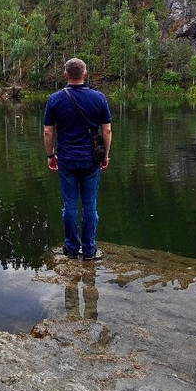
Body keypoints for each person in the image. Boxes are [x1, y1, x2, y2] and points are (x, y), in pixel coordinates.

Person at [43, 57, 112, 260]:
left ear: (65, 75)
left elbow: (48, 132)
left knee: (70, 206)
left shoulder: (54, 99)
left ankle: (72, 248)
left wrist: (50, 155)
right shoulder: (99, 98)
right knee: (90, 206)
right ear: (85, 74)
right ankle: (89, 250)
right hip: (91, 159)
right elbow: (106, 129)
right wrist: (105, 155)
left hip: (66, 159)